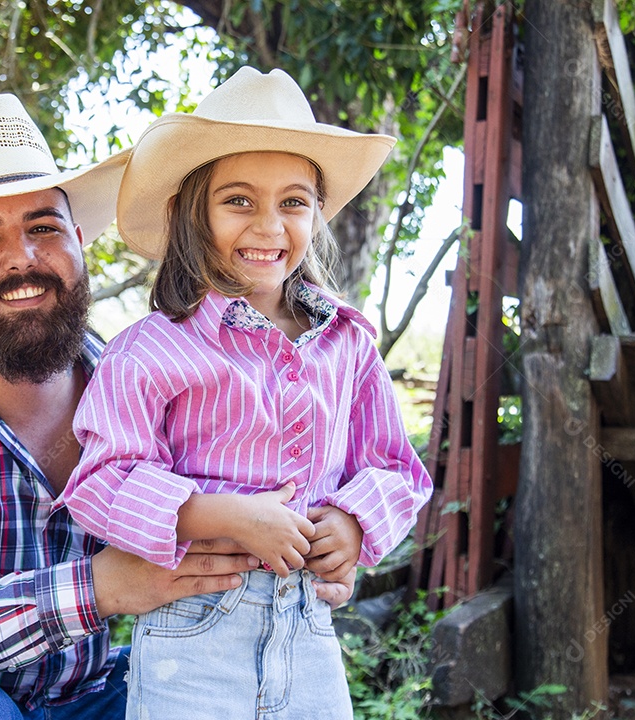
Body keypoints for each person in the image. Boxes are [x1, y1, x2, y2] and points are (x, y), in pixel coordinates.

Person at [0, 92, 353, 720]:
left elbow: (228, 508)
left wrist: (314, 553)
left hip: (78, 699)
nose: (23, 259)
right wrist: (96, 589)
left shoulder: (134, 377)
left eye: (44, 228)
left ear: (79, 243)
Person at [59, 67, 434, 719]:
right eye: (239, 200)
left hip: (309, 629)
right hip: (192, 630)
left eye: (293, 201)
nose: (269, 224)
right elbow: (99, 483)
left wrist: (353, 521)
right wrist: (221, 515)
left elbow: (395, 466)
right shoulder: (152, 348)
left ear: (317, 213)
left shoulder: (347, 343)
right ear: (190, 214)